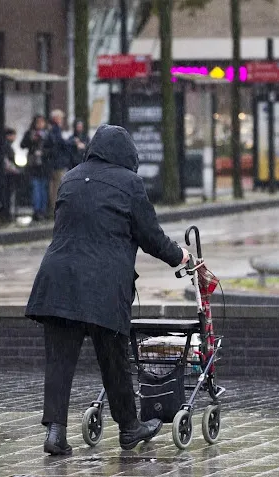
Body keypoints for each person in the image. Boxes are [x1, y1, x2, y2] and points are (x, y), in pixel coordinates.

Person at [25, 124, 190, 455]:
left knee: (59, 360)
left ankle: (55, 433)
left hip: (58, 280)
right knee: (113, 358)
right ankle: (129, 428)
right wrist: (180, 256)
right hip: (103, 285)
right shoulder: (129, 183)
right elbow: (150, 236)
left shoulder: (71, 177)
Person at [42, 109, 72, 219]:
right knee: (57, 187)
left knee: (53, 187)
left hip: (53, 163)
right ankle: (55, 210)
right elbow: (60, 143)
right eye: (61, 118)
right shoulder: (56, 131)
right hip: (58, 164)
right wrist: (70, 143)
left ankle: (53, 209)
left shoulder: (50, 131)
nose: (62, 120)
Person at [20, 115, 50, 221]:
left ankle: (43, 210)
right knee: (36, 188)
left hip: (44, 165)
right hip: (33, 165)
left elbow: (52, 148)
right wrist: (31, 141)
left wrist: (44, 153)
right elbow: (22, 145)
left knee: (43, 189)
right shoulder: (30, 134)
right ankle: (37, 210)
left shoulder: (47, 134)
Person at [0, 127, 20, 222]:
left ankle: (6, 213)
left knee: (6, 194)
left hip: (7, 173)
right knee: (8, 194)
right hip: (9, 174)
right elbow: (7, 161)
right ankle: (7, 213)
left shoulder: (4, 145)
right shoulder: (7, 146)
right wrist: (15, 169)